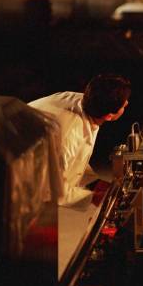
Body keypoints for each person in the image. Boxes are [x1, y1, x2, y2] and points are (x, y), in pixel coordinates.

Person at [29, 74, 131, 207]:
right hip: (11, 168)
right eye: (124, 104)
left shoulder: (89, 102)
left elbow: (71, 163)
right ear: (109, 116)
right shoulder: (68, 135)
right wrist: (93, 198)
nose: (127, 104)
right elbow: (50, 190)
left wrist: (95, 184)